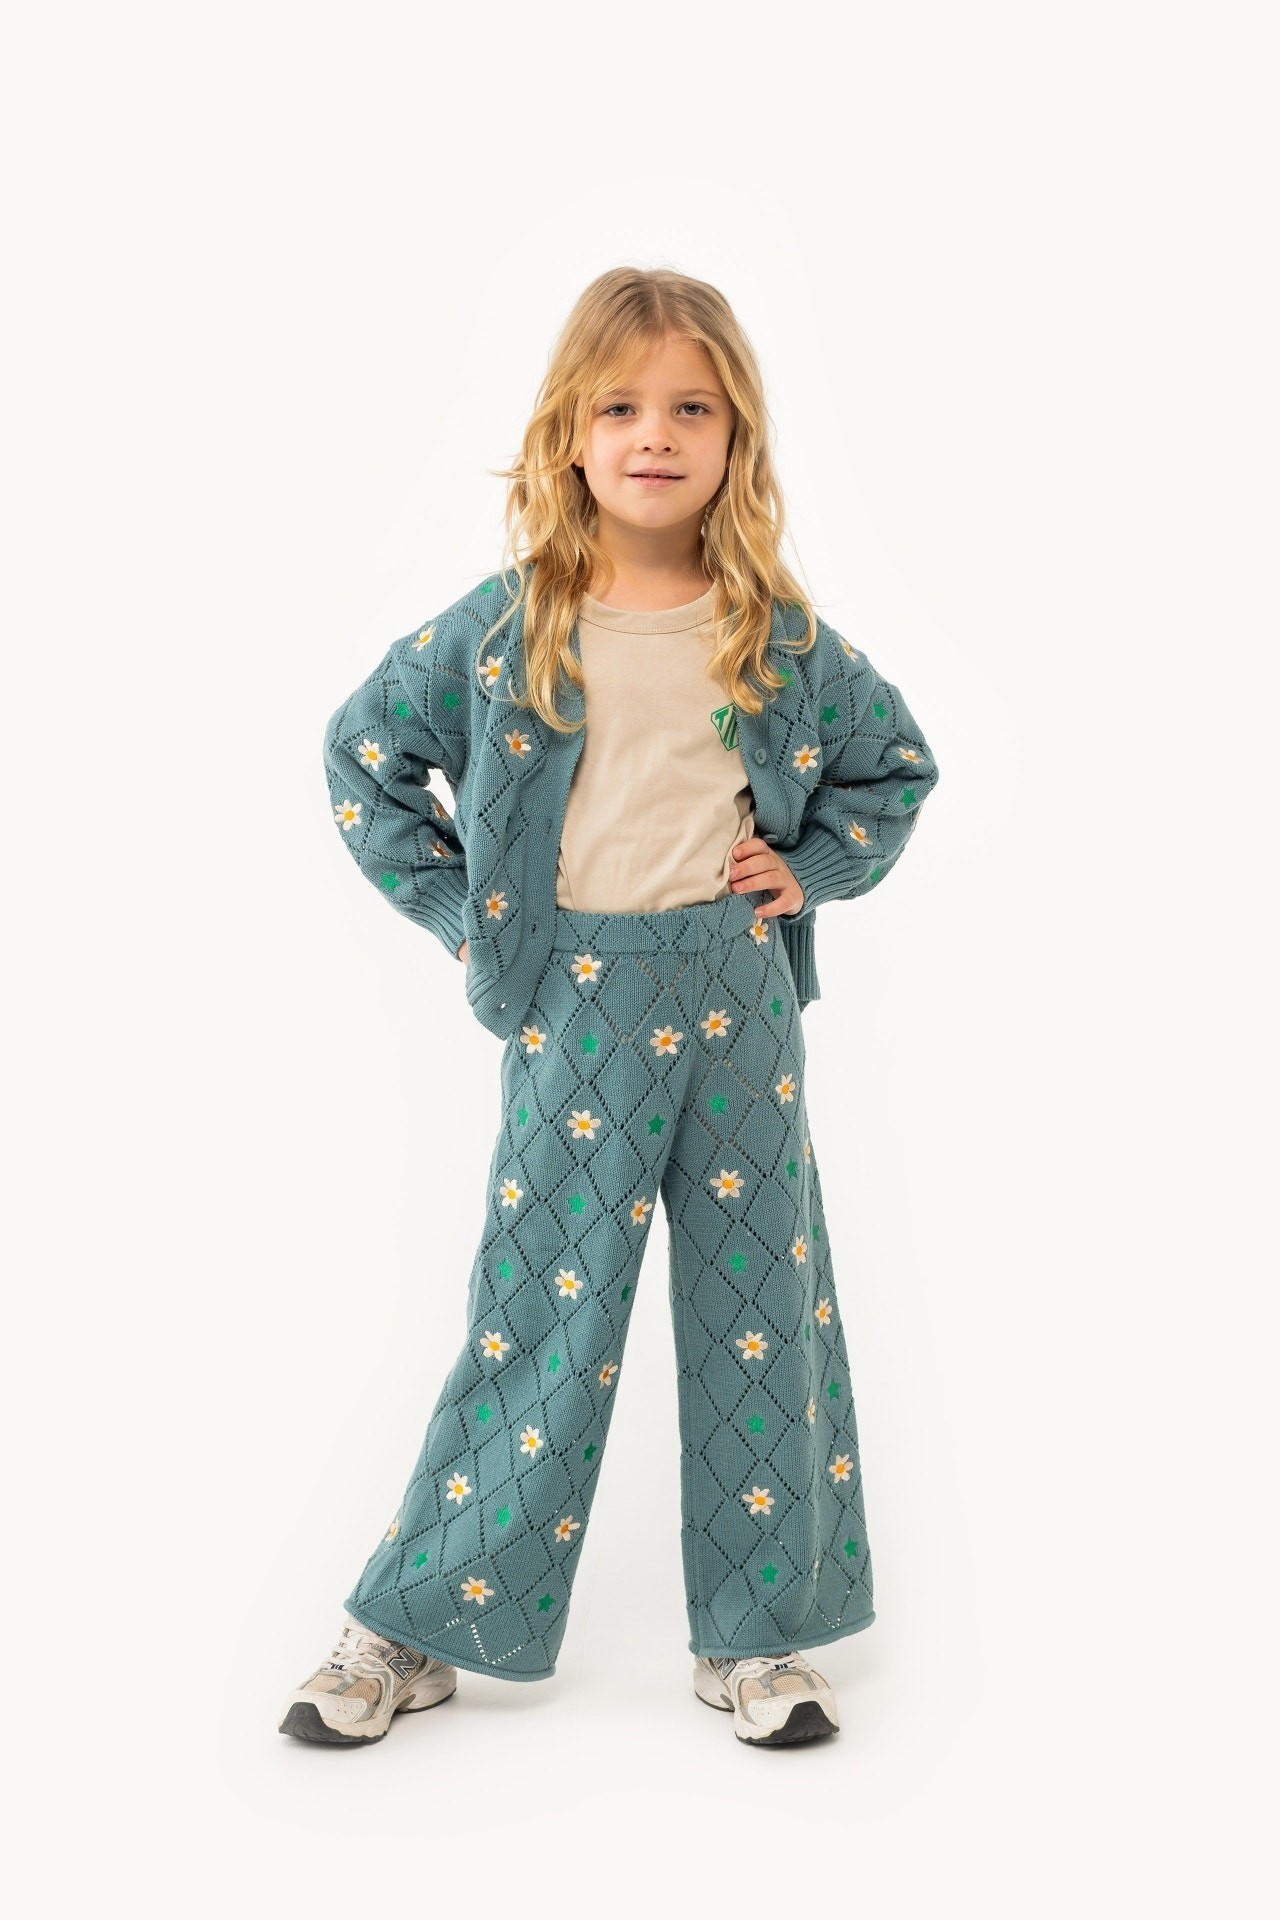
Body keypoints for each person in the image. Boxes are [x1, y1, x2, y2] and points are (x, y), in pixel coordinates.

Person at [280, 265, 940, 1750]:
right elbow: (362, 756)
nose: (656, 435)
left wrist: (814, 868)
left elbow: (895, 766)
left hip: (737, 997)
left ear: (736, 437)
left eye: (693, 408)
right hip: (574, 1001)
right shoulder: (509, 626)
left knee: (764, 1306)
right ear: (569, 433)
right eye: (622, 406)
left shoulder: (776, 634)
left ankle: (761, 1636)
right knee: (541, 1308)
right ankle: (417, 1625)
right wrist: (470, 916)